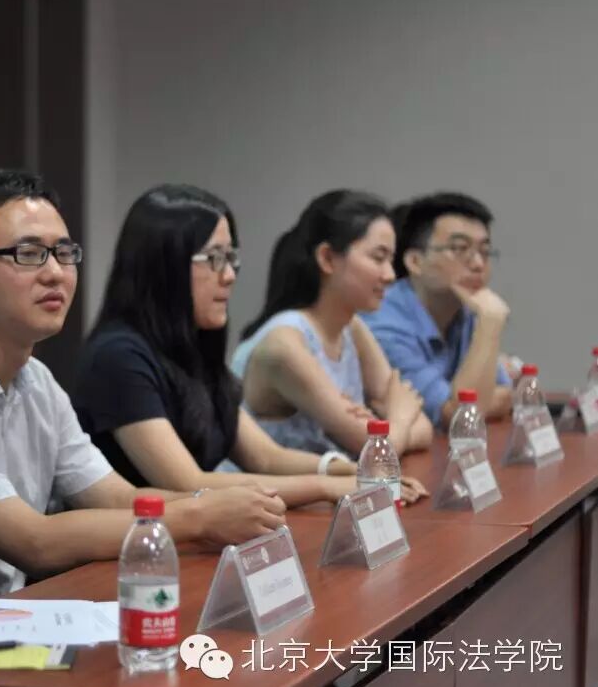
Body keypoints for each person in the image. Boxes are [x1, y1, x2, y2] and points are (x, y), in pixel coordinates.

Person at [0, 170, 287, 629]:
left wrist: (223, 503)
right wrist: (201, 515)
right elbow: (36, 542)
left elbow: (115, 497)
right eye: (28, 254)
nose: (54, 272)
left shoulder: (36, 380)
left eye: (64, 253)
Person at [74, 184, 426, 505]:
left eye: (231, 258)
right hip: (132, 546)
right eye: (214, 259)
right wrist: (328, 487)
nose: (229, 275)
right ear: (164, 265)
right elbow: (187, 483)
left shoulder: (191, 347)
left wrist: (349, 472)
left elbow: (266, 457)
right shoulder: (119, 356)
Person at [232, 189, 434, 458]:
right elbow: (376, 450)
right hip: (267, 486)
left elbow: (424, 429)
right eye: (378, 258)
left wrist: (390, 429)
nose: (390, 275)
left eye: (390, 260)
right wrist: (399, 418)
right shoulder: (284, 344)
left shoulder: (353, 327)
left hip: (332, 483)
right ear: (327, 258)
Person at [361, 193, 513, 427]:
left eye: (485, 251)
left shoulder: (467, 310)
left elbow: (507, 395)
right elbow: (460, 417)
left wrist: (473, 403)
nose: (478, 264)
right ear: (415, 262)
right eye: (460, 248)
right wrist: (491, 324)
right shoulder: (382, 325)